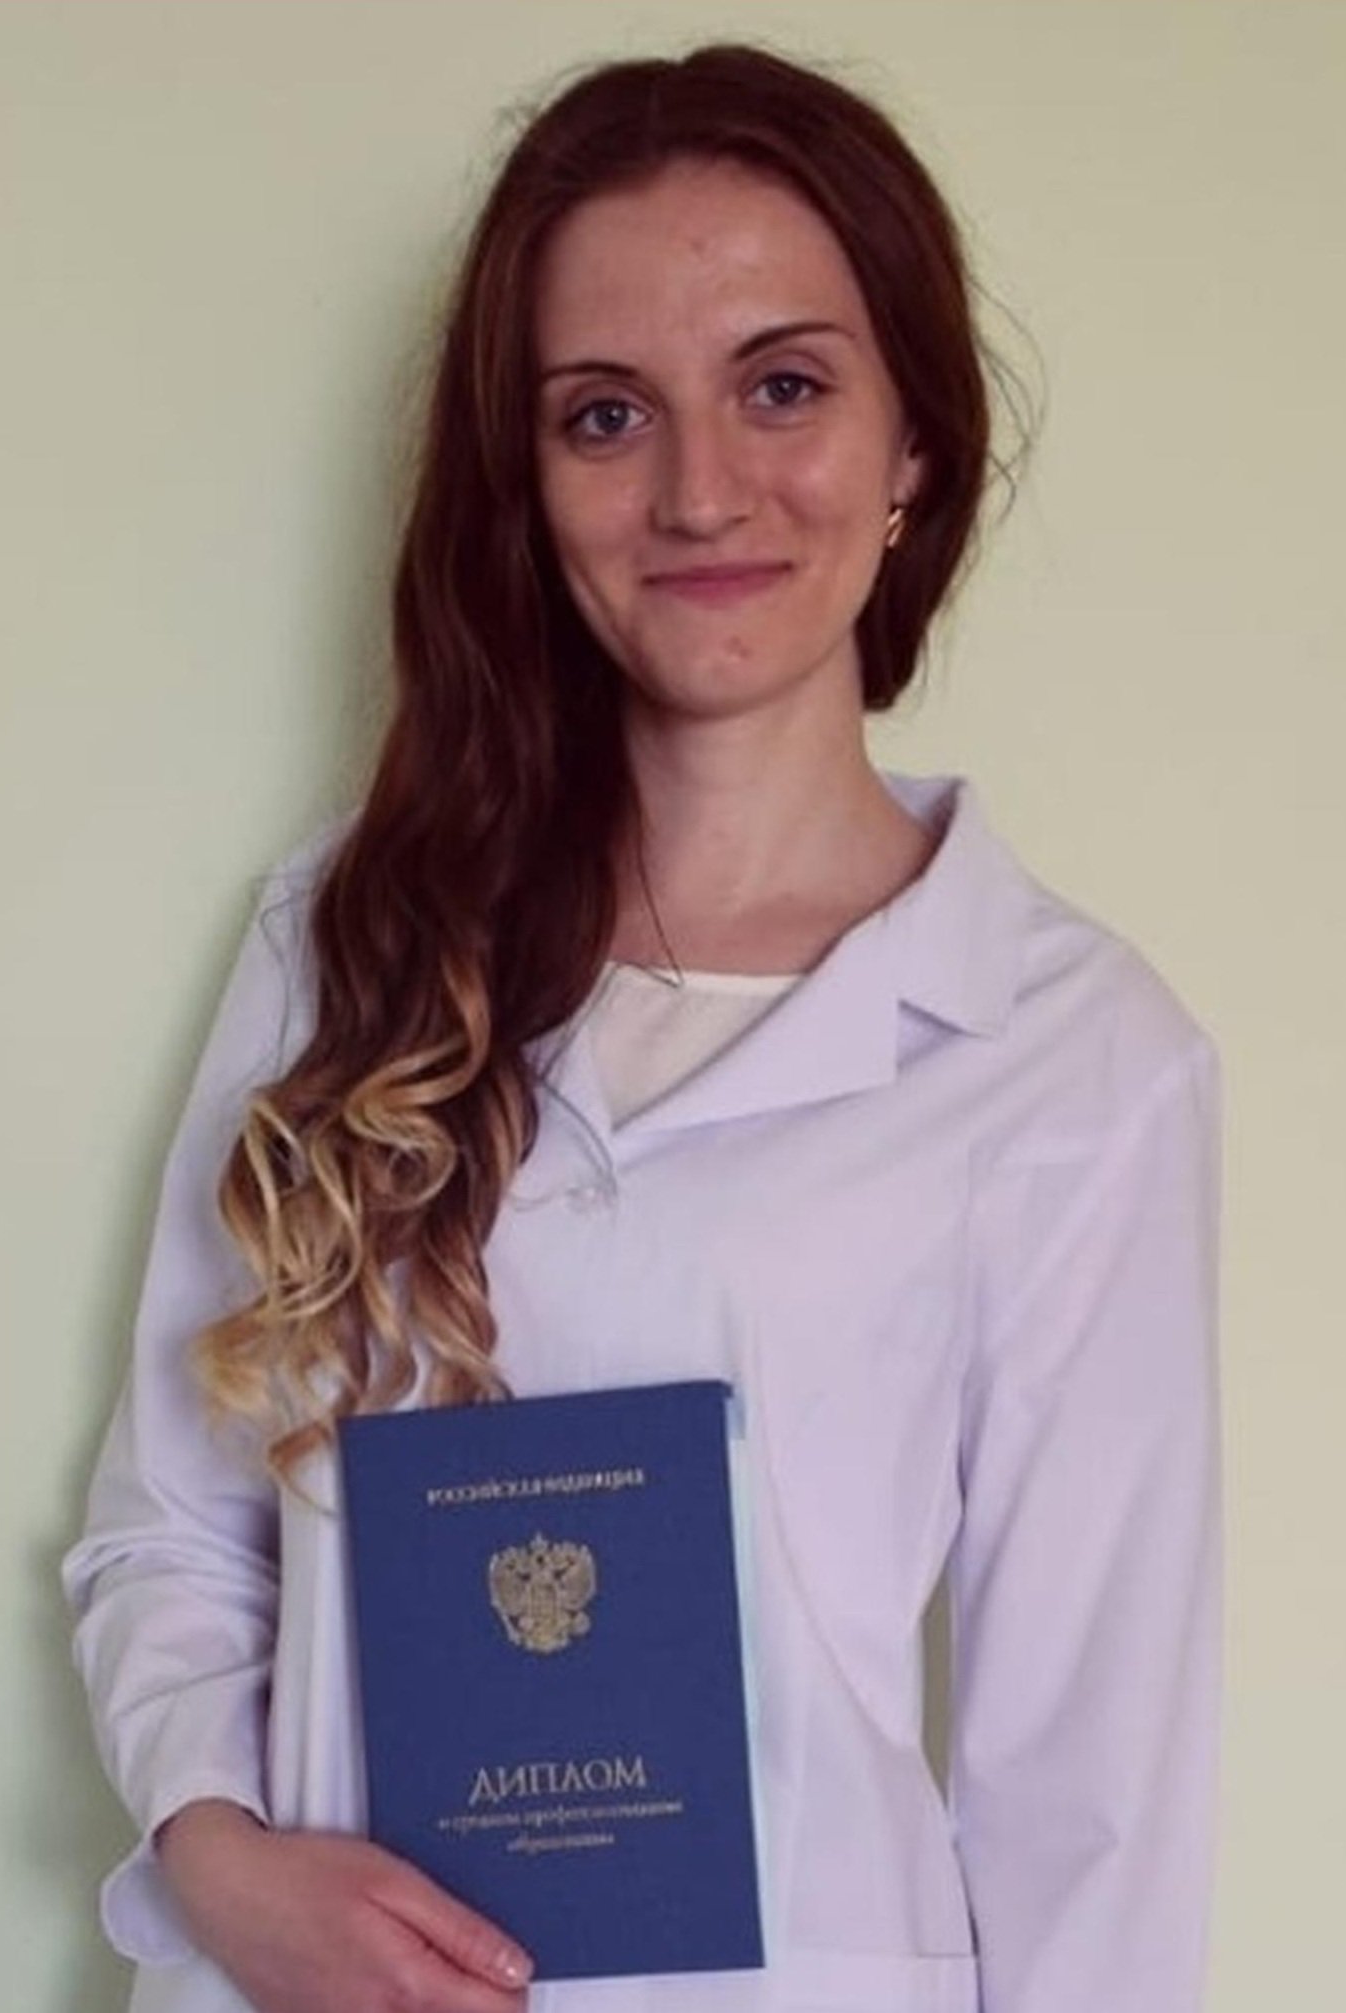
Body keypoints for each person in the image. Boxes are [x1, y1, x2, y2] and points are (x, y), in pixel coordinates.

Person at [64, 43, 1220, 2013]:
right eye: (605, 413)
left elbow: (1090, 1790)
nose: (699, 489)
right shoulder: (347, 938)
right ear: (527, 484)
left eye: (784, 385)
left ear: (914, 441)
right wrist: (218, 1853)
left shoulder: (1073, 1055)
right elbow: (169, 1527)